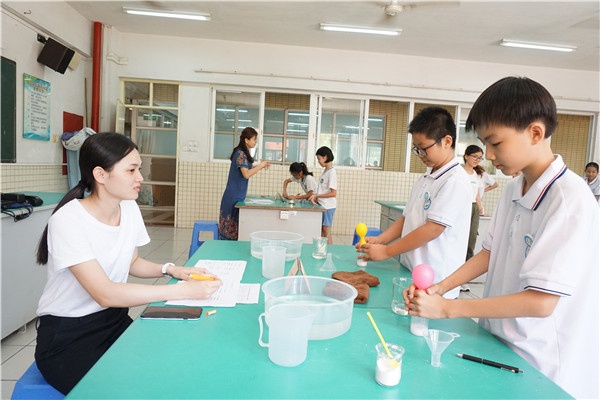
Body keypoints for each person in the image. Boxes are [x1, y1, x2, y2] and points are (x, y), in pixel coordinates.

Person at [404, 77, 599, 399]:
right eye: (485, 144)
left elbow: (541, 303)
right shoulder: (513, 189)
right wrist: (440, 288)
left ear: (535, 133)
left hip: (543, 364)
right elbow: (490, 252)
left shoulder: (568, 200)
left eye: (495, 143)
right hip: (501, 343)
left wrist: (448, 309)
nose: (489, 155)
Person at [34, 132, 222, 394]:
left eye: (139, 169)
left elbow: (131, 262)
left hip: (113, 321)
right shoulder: (68, 220)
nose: (140, 178)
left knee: (171, 369)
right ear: (101, 175)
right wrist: (180, 291)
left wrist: (171, 269)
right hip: (68, 337)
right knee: (130, 390)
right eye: (131, 170)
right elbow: (105, 294)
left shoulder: (128, 207)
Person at [358, 106, 471, 299]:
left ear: (447, 141)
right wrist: (381, 240)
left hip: (436, 281)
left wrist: (387, 251)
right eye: (416, 149)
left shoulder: (454, 181)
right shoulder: (426, 177)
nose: (420, 154)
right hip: (412, 272)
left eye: (424, 148)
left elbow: (433, 229)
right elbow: (407, 218)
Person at [218, 127, 270, 240]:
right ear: (246, 140)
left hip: (237, 194)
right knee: (230, 229)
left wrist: (261, 166)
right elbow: (246, 174)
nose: (255, 142)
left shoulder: (242, 153)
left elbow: (247, 169)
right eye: (254, 139)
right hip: (233, 195)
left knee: (235, 228)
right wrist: (260, 166)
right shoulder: (240, 154)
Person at [462, 144, 498, 260]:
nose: (477, 160)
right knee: (460, 236)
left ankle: (467, 262)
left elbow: (477, 194)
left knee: (472, 237)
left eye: (480, 158)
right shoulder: (459, 172)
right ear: (466, 156)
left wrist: (480, 209)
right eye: (475, 156)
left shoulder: (476, 175)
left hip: (474, 208)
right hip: (462, 206)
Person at [309, 146, 337, 244]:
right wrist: (315, 197)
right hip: (323, 205)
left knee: (326, 232)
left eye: (319, 159)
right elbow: (323, 190)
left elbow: (333, 193)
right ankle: (323, 250)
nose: (318, 161)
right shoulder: (326, 171)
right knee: (322, 232)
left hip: (328, 206)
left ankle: (330, 251)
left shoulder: (332, 172)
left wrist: (317, 196)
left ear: (325, 157)